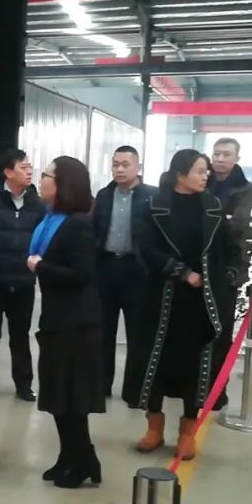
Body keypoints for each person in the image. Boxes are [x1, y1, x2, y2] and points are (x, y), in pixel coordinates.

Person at [135, 149, 244, 460]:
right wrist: (181, 272)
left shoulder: (213, 207)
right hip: (162, 300)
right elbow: (145, 248)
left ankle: (187, 433)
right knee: (154, 363)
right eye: (199, 170)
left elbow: (231, 248)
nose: (205, 175)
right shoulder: (154, 206)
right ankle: (154, 428)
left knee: (196, 368)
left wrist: (230, 277)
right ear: (180, 174)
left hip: (202, 304)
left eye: (206, 170)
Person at [28, 156, 104, 489]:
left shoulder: (77, 224)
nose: (41, 179)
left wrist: (40, 267)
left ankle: (83, 460)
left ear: (63, 184)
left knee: (72, 398)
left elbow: (81, 274)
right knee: (59, 395)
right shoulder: (51, 219)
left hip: (77, 322)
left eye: (47, 175)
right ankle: (70, 457)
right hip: (57, 318)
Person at [92, 145, 159, 408]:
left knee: (138, 334)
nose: (119, 169)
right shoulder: (104, 195)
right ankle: (101, 387)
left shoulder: (152, 196)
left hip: (137, 271)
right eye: (115, 164)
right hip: (107, 267)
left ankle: (135, 392)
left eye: (125, 164)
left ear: (138, 167)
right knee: (102, 332)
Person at [0, 149, 43, 403]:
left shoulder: (36, 204)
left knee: (20, 334)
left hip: (24, 281)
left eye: (29, 166)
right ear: (7, 172)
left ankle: (24, 384)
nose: (29, 171)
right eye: (23, 167)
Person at [210, 137, 252, 288]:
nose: (220, 159)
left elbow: (239, 222)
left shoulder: (244, 187)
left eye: (226, 154)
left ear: (237, 158)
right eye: (216, 154)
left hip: (230, 251)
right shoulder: (202, 180)